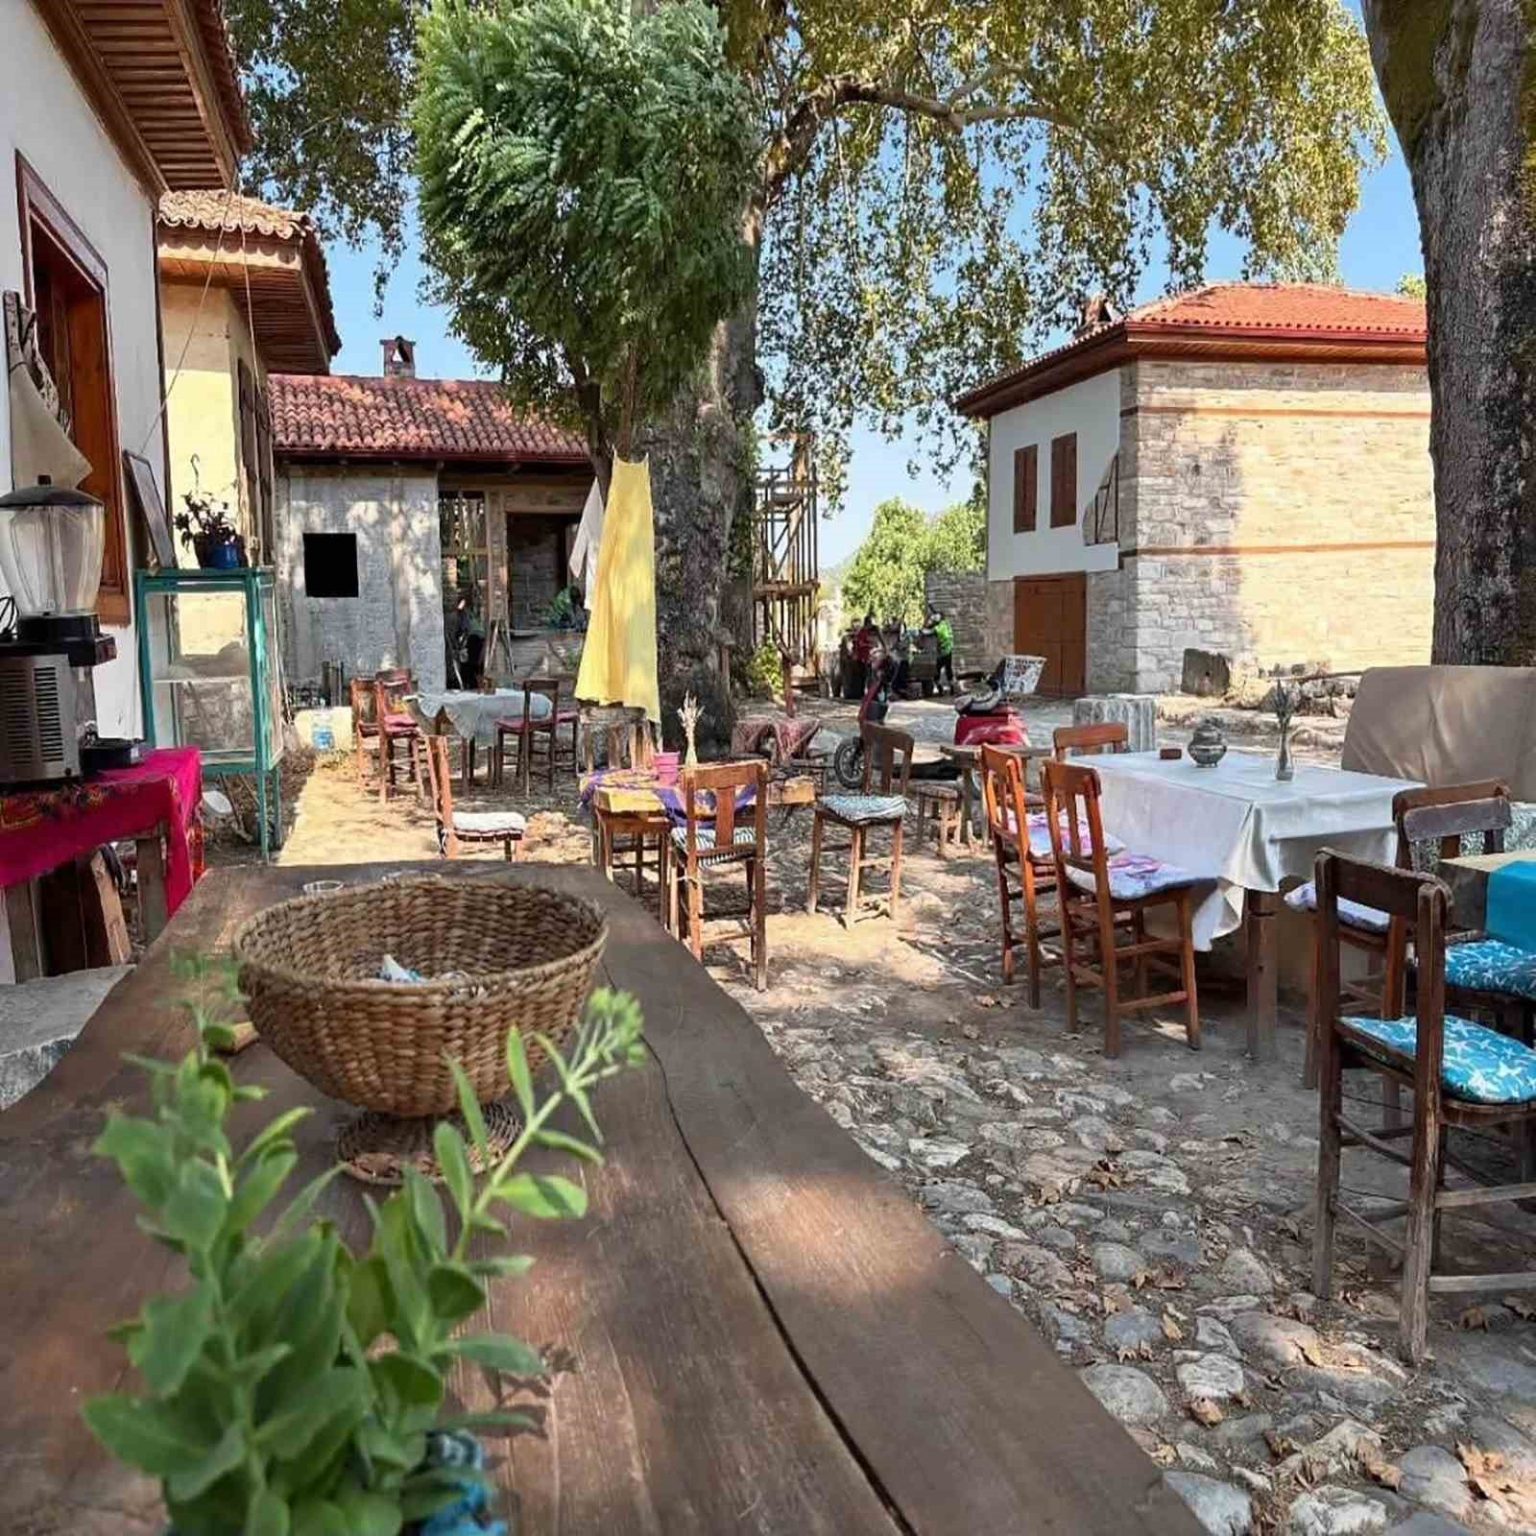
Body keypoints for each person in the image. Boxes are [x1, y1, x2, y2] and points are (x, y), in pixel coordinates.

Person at [452, 589, 486, 688]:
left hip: (476, 638)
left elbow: (464, 628)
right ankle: (471, 683)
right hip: (475, 638)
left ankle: (473, 683)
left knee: (473, 662)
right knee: (471, 662)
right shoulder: (467, 612)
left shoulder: (469, 612)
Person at [929, 607, 955, 694]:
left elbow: (930, 631)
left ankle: (940, 688)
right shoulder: (946, 623)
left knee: (937, 671)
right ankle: (952, 687)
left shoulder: (939, 627)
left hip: (943, 651)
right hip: (949, 650)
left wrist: (924, 630)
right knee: (948, 669)